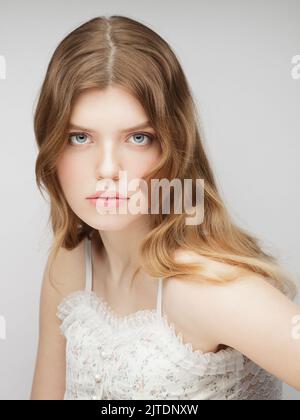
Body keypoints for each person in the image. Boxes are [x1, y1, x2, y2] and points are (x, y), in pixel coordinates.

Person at [30, 15, 300, 400]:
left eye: (138, 137)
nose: (108, 168)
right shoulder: (70, 266)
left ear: (173, 148)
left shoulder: (208, 287)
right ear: (51, 145)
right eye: (80, 137)